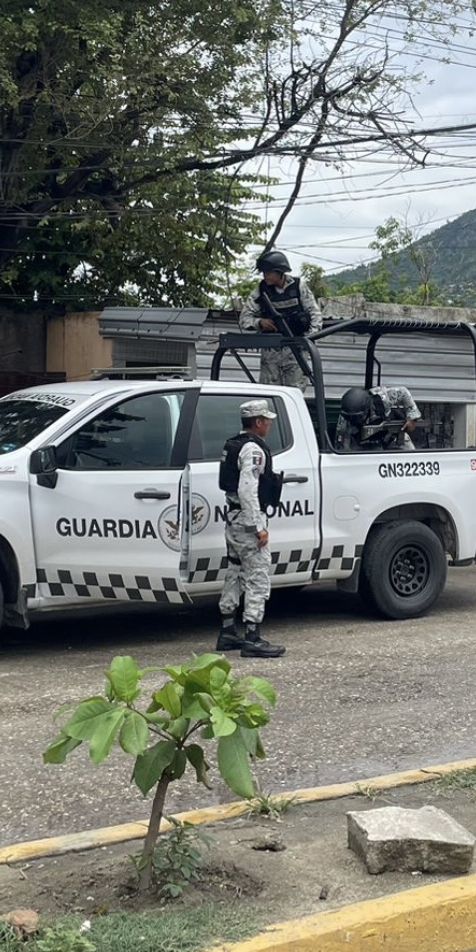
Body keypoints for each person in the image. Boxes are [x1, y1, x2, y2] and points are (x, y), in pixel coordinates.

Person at [214, 399, 285, 657]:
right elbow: (247, 489)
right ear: (257, 422)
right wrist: (258, 526)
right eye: (266, 420)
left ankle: (228, 630)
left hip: (232, 521)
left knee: (234, 571)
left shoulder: (234, 444)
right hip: (246, 522)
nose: (268, 424)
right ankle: (252, 636)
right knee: (257, 575)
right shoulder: (253, 450)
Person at [239, 249, 322, 391]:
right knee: (268, 392)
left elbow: (315, 315)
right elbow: (244, 318)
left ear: (280, 272)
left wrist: (307, 340)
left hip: (296, 349)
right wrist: (260, 323)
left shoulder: (298, 286)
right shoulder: (261, 290)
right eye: (264, 272)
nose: (265, 276)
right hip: (272, 350)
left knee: (294, 392)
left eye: (269, 272)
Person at [335, 385, 422, 451]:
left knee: (411, 457)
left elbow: (403, 392)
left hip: (391, 435)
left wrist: (412, 418)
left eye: (358, 417)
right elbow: (342, 444)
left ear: (367, 409)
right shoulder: (345, 418)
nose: (354, 419)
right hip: (365, 442)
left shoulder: (382, 399)